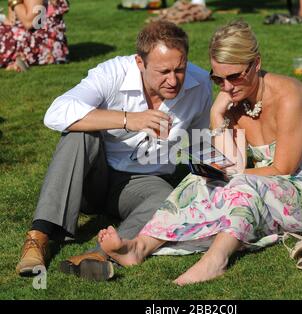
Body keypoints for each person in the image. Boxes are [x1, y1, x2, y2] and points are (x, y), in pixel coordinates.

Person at [97, 19, 302, 286]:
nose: (227, 86)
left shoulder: (289, 97)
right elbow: (229, 164)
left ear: (255, 63)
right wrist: (217, 115)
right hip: (270, 185)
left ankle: (215, 260)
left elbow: (283, 169)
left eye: (234, 76)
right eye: (218, 78)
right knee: (199, 180)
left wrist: (231, 177)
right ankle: (140, 246)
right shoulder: (233, 102)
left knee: (242, 185)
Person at [15, 20, 212, 281]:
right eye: (163, 71)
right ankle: (38, 237)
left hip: (145, 183)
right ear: (139, 63)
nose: (173, 80)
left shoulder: (199, 85)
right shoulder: (112, 73)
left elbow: (201, 144)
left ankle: (98, 256)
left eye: (180, 69)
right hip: (93, 177)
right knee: (78, 134)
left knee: (167, 197)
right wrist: (127, 118)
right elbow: (55, 112)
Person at [0, 0, 69, 71]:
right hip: (31, 37)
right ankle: (16, 61)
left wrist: (15, 1)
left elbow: (29, 23)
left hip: (42, 42)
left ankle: (18, 58)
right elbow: (11, 21)